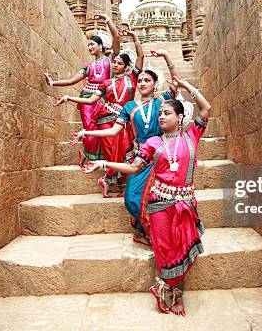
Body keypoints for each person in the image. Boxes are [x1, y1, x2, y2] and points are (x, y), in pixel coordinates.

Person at [83, 76, 211, 316]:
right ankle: (169, 293)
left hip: (185, 204)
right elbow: (133, 168)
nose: (161, 116)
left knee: (182, 249)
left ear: (180, 117)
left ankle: (173, 288)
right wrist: (103, 163)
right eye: (160, 113)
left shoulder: (192, 135)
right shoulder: (153, 142)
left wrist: (186, 87)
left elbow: (206, 108)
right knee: (164, 249)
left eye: (167, 113)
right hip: (159, 204)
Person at [74, 49, 179, 240]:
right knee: (131, 199)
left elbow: (176, 82)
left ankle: (156, 234)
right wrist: (87, 132)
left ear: (155, 84)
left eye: (147, 80)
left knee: (162, 198)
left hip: (162, 156)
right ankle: (143, 226)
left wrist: (166, 56)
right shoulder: (129, 107)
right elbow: (113, 131)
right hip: (139, 157)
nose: (142, 83)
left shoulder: (162, 102)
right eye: (140, 81)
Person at [54, 29, 144, 197]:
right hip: (106, 119)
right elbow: (90, 101)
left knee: (126, 150)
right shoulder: (106, 83)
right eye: (114, 62)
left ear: (126, 66)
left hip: (125, 120)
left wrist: (135, 37)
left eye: (118, 63)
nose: (115, 65)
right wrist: (69, 98)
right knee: (111, 151)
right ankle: (110, 180)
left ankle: (115, 181)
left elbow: (140, 57)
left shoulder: (132, 78)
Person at [43, 13, 120, 167]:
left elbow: (117, 37)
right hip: (86, 99)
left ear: (101, 46)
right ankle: (89, 156)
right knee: (90, 128)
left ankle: (92, 156)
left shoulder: (111, 61)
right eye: (89, 45)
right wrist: (52, 83)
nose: (90, 47)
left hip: (104, 100)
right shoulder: (88, 66)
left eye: (92, 44)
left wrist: (107, 20)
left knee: (101, 129)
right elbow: (72, 81)